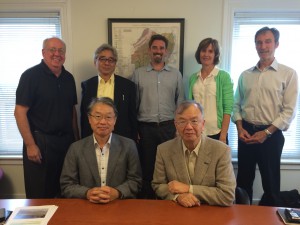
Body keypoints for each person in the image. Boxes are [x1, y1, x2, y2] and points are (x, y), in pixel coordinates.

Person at [232, 27, 299, 206]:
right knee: (243, 182)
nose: (263, 46)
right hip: (245, 132)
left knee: (271, 184)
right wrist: (239, 128)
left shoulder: (288, 74)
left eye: (267, 41)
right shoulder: (245, 75)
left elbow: (289, 111)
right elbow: (236, 104)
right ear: (255, 45)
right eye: (259, 42)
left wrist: (266, 133)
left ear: (276, 44)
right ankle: (242, 218)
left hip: (272, 135)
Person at [14, 37, 79, 198]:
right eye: (52, 50)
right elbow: (19, 112)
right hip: (39, 144)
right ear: (43, 52)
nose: (57, 54)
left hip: (65, 143)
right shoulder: (30, 76)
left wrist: (76, 141)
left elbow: (72, 112)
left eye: (61, 51)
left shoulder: (69, 78)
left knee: (65, 190)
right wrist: (30, 145)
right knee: (40, 194)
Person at [152, 100, 236, 207]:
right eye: (182, 121)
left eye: (194, 121)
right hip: (178, 213)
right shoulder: (163, 150)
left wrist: (189, 189)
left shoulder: (221, 151)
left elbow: (227, 195)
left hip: (211, 212)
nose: (188, 127)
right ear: (176, 125)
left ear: (203, 124)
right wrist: (177, 197)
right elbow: (158, 185)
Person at [131, 34, 184, 199]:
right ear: (149, 50)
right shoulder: (138, 74)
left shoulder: (176, 75)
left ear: (166, 52)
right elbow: (133, 105)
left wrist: (178, 129)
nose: (158, 51)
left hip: (169, 128)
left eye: (161, 48)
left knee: (169, 167)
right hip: (146, 129)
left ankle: (167, 200)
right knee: (147, 167)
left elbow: (180, 103)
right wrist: (136, 130)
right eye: (155, 48)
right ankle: (147, 202)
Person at [60, 97, 142, 203]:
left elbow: (136, 181)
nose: (103, 122)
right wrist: (87, 193)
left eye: (108, 117)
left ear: (115, 120)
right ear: (89, 119)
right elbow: (67, 184)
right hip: (86, 206)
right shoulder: (76, 148)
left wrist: (117, 192)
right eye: (98, 116)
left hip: (119, 205)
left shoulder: (128, 145)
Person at [81, 44, 137, 141]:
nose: (107, 63)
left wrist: (133, 139)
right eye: (102, 59)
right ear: (95, 62)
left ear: (115, 63)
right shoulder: (87, 85)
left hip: (121, 138)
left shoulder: (128, 86)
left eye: (111, 60)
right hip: (95, 138)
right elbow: (84, 116)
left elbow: (132, 115)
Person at [188, 38, 234, 144]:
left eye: (210, 51)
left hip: (216, 132)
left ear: (215, 54)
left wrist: (223, 135)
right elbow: (191, 106)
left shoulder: (224, 77)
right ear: (199, 53)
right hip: (197, 131)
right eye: (203, 50)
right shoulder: (193, 78)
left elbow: (228, 108)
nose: (206, 54)